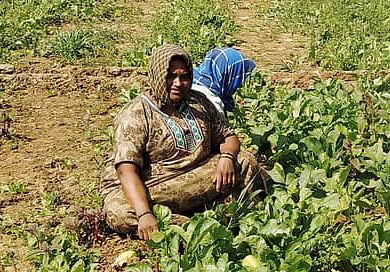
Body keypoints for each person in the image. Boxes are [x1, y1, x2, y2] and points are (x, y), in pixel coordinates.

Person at [101, 44, 266, 239]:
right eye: (171, 76)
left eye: (184, 76)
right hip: (153, 186)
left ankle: (234, 218)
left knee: (244, 161)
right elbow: (126, 171)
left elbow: (228, 136)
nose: (178, 83)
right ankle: (191, 228)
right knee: (118, 211)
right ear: (157, 75)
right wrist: (144, 213)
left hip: (197, 174)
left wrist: (227, 157)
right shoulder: (136, 114)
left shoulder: (199, 102)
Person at [191, 47, 257, 118]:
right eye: (239, 79)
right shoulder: (212, 102)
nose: (240, 85)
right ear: (229, 76)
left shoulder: (191, 79)